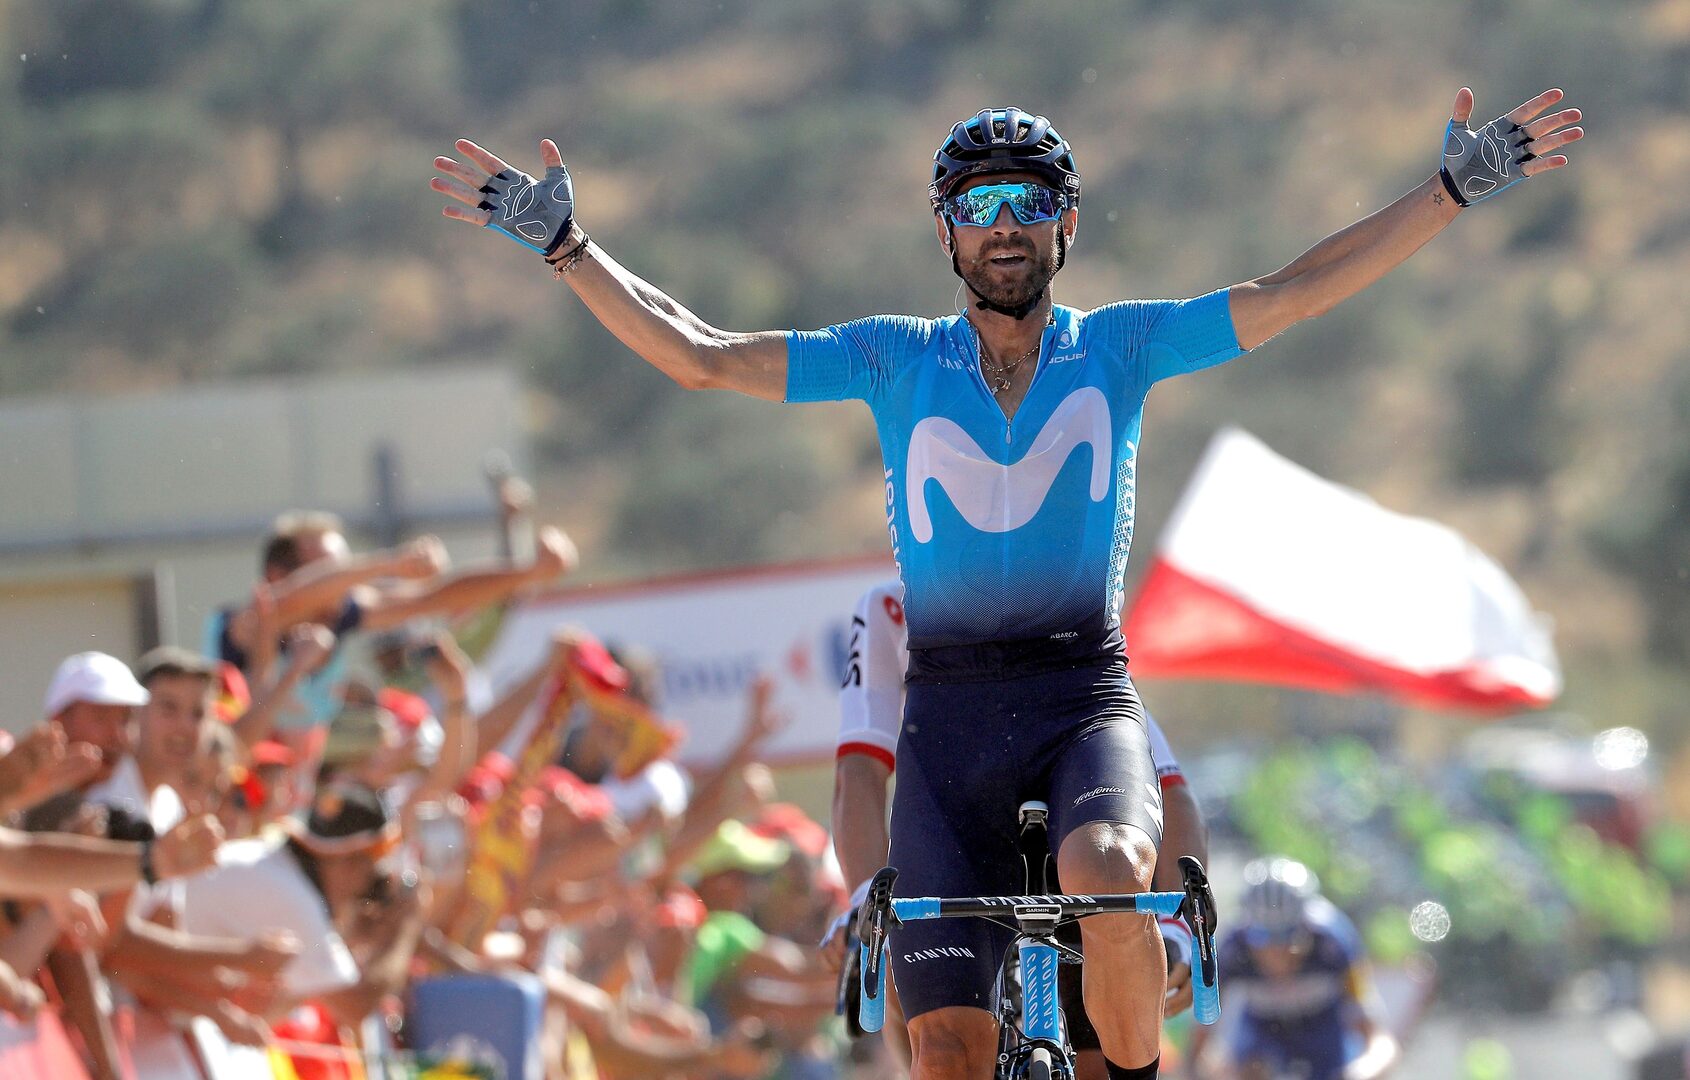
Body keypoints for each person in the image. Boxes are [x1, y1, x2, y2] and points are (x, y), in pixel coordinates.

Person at [431, 89, 1582, 1080]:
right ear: (945, 231)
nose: (1003, 226)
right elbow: (701, 356)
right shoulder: (892, 357)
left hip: (1081, 697)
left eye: (1029, 202)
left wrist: (1447, 192)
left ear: (1066, 223)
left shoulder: (1122, 346)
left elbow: (1293, 292)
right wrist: (569, 249)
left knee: (1110, 874)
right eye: (977, 205)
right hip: (950, 719)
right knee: (943, 1050)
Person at [827, 580, 1209, 1078]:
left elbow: (1168, 787)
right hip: (953, 822)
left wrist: (1176, 926)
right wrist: (862, 898)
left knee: (1099, 1059)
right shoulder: (888, 609)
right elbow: (858, 774)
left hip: (1071, 832)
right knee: (934, 1039)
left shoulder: (1045, 595)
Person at [1190, 858, 1399, 1080]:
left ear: (1308, 927)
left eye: (1287, 940)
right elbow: (1195, 1050)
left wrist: (1358, 1074)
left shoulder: (1334, 943)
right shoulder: (1231, 949)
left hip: (1324, 1034)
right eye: (1265, 941)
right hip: (1260, 1037)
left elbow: (1380, 1040)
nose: (1277, 954)